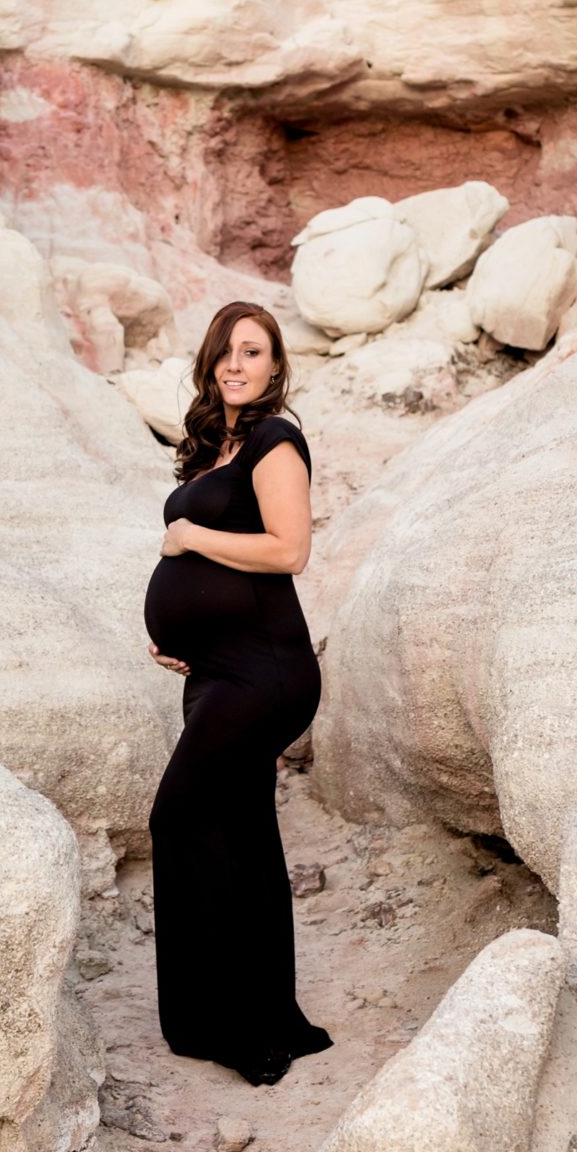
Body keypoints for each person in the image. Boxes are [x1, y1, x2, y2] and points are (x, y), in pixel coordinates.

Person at [143, 300, 333, 1087]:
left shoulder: (275, 441)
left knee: (180, 816)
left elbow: (289, 550)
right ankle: (262, 1016)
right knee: (243, 833)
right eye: (224, 351)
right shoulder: (215, 448)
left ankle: (231, 1026)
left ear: (275, 365)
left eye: (251, 352)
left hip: (267, 673)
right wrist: (191, 636)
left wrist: (186, 539)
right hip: (224, 669)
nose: (234, 364)